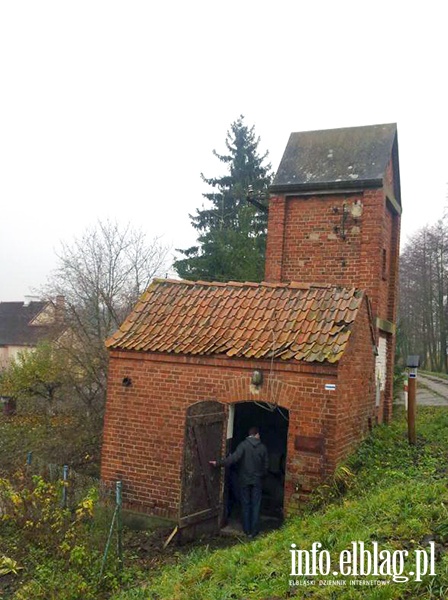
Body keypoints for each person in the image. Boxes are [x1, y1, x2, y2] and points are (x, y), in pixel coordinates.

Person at [210, 426, 268, 538]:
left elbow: (233, 459)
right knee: (256, 505)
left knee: (245, 504)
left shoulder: (243, 446)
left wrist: (218, 463)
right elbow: (266, 466)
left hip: (244, 479)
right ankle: (254, 531)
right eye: (259, 434)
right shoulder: (262, 448)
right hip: (257, 480)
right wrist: (261, 476)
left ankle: (246, 530)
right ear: (256, 434)